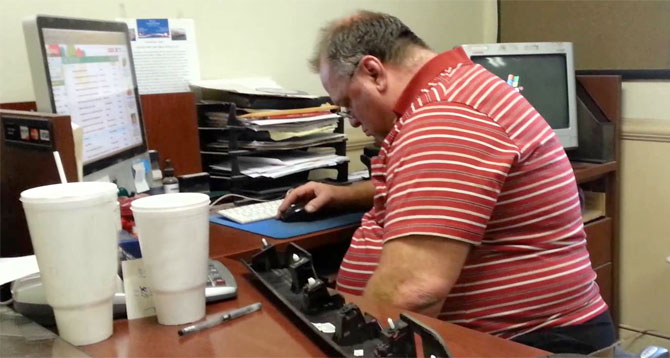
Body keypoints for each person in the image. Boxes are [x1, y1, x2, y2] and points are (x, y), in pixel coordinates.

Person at [279, 10, 615, 353]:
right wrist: (343, 195)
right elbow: (421, 187)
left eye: (348, 103)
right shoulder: (452, 90)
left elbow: (413, 291)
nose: (352, 121)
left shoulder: (445, 116)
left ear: (373, 72)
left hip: (527, 343)